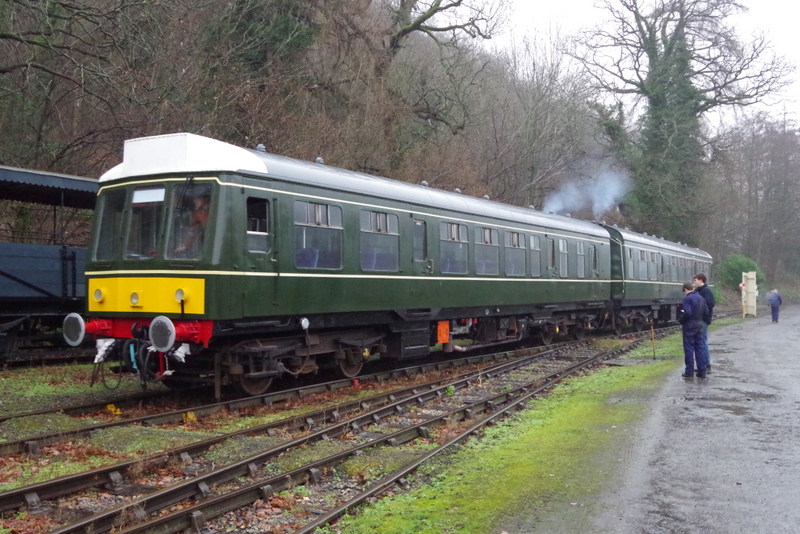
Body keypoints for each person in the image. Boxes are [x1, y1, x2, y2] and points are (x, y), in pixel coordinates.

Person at [679, 281, 708, 378]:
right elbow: (706, 311)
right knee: (699, 348)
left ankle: (689, 371)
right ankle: (702, 371)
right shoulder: (701, 298)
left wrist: (681, 320)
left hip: (689, 326)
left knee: (689, 349)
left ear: (686, 289)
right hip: (700, 325)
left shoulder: (688, 299)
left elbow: (687, 313)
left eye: (684, 291)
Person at [692, 273, 715, 372]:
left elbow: (710, 304)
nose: (694, 282)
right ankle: (701, 365)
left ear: (701, 280)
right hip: (697, 319)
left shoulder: (707, 291)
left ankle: (706, 364)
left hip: (703, 320)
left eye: (695, 280)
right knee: (699, 342)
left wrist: (700, 310)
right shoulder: (697, 291)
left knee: (703, 342)